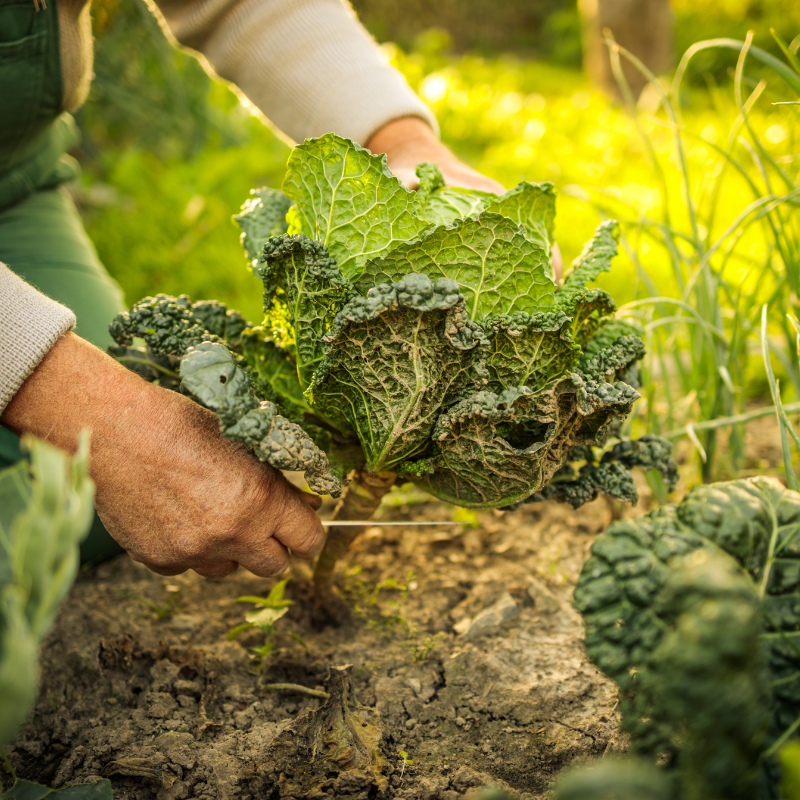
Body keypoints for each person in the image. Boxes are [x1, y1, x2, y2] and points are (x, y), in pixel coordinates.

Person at [0, 0, 506, 580]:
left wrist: (398, 138)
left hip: (11, 179)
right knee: (80, 479)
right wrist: (95, 414)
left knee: (77, 509)